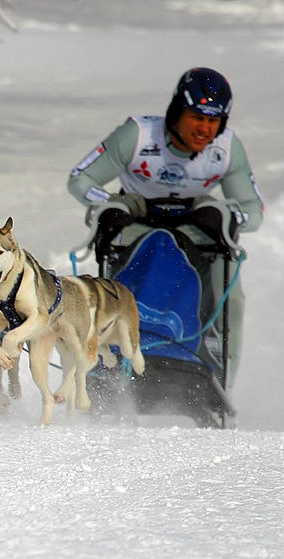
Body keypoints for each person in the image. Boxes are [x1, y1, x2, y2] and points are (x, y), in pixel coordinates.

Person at [67, 67, 264, 387]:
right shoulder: (137, 135)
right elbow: (79, 179)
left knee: (232, 297)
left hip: (196, 229)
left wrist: (224, 215)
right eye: (196, 118)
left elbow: (253, 210)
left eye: (213, 122)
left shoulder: (227, 149)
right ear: (176, 112)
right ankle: (103, 361)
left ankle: (217, 379)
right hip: (136, 223)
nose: (204, 129)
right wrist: (113, 204)